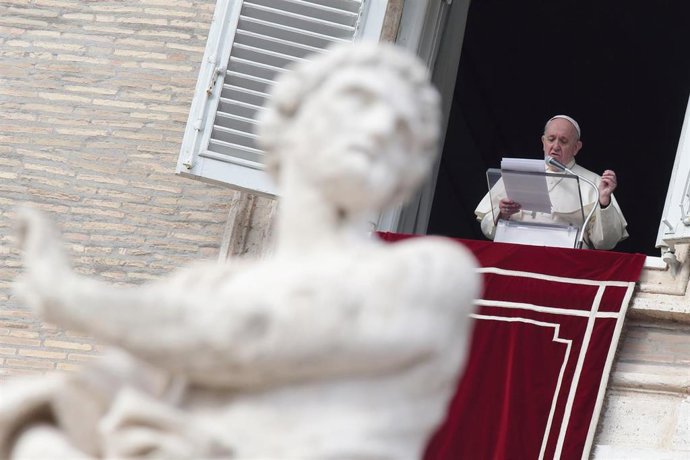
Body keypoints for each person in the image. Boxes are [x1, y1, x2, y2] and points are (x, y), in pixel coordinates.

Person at [0, 43, 479, 459]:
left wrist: (74, 297)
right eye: (358, 101)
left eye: (403, 131)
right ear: (289, 121)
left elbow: (257, 334)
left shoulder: (429, 274)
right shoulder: (204, 287)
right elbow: (78, 400)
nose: (379, 129)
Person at [474, 115, 628, 250]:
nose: (555, 146)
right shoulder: (517, 173)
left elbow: (605, 243)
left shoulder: (593, 183)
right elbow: (487, 229)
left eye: (563, 141)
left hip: (565, 265)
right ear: (543, 142)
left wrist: (604, 203)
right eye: (551, 139)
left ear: (576, 147)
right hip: (515, 257)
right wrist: (501, 214)